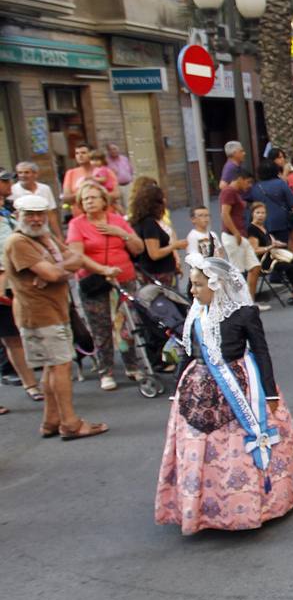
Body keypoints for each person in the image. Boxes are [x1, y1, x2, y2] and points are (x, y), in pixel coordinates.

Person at [154, 253, 293, 534]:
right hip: (199, 388)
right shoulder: (196, 314)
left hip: (241, 383)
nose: (192, 291)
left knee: (240, 446)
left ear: (218, 285)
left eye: (198, 285)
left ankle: (255, 502)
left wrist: (270, 392)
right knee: (201, 449)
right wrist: (177, 387)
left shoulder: (244, 313)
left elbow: (261, 351)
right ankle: (205, 508)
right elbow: (187, 353)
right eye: (192, 284)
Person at [3, 194, 108, 439]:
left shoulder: (44, 238)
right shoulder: (18, 242)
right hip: (39, 315)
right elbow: (56, 270)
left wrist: (56, 271)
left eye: (40, 214)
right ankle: (70, 423)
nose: (36, 219)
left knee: (53, 367)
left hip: (54, 311)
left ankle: (50, 421)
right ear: (18, 215)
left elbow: (76, 257)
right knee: (61, 366)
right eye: (30, 214)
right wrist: (58, 271)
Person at [65, 181, 148, 391]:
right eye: (85, 199)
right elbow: (77, 255)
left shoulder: (118, 220)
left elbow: (138, 248)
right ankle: (106, 371)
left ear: (104, 200)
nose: (89, 201)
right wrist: (103, 270)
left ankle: (132, 365)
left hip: (124, 278)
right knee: (100, 327)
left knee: (128, 325)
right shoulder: (77, 224)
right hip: (95, 282)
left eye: (93, 197)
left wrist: (121, 233)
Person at [0, 172, 44, 405]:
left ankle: (31, 383)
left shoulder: (10, 209)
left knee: (15, 336)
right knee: (9, 337)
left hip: (16, 279)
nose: (10, 184)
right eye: (4, 180)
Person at [246, 202, 293, 305]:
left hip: (274, 256)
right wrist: (271, 247)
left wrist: (276, 243)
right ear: (252, 214)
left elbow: (269, 241)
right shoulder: (252, 229)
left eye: (263, 213)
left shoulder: (263, 227)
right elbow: (255, 250)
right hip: (265, 261)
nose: (261, 215)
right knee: (291, 268)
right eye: (258, 213)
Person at [128, 177, 187, 288]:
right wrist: (175, 245)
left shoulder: (145, 221)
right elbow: (154, 253)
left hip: (162, 271)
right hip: (159, 274)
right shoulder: (149, 223)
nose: (165, 201)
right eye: (162, 198)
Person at [220, 168, 263, 296]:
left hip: (240, 234)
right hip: (233, 235)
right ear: (240, 179)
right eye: (248, 182)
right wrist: (235, 232)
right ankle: (240, 301)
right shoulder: (228, 192)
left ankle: (250, 300)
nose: (249, 186)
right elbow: (225, 214)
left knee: (255, 266)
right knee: (238, 271)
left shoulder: (236, 193)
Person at [14, 161, 63, 245]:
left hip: (44, 233)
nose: (23, 175)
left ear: (35, 174)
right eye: (20, 173)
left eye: (26, 172)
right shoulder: (13, 190)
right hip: (24, 236)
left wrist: (59, 236)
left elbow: (51, 214)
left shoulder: (45, 189)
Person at [60, 144, 96, 217]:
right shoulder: (71, 173)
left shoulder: (102, 170)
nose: (80, 156)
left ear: (91, 154)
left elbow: (116, 194)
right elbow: (66, 198)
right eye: (77, 153)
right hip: (80, 215)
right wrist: (86, 193)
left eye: (83, 153)